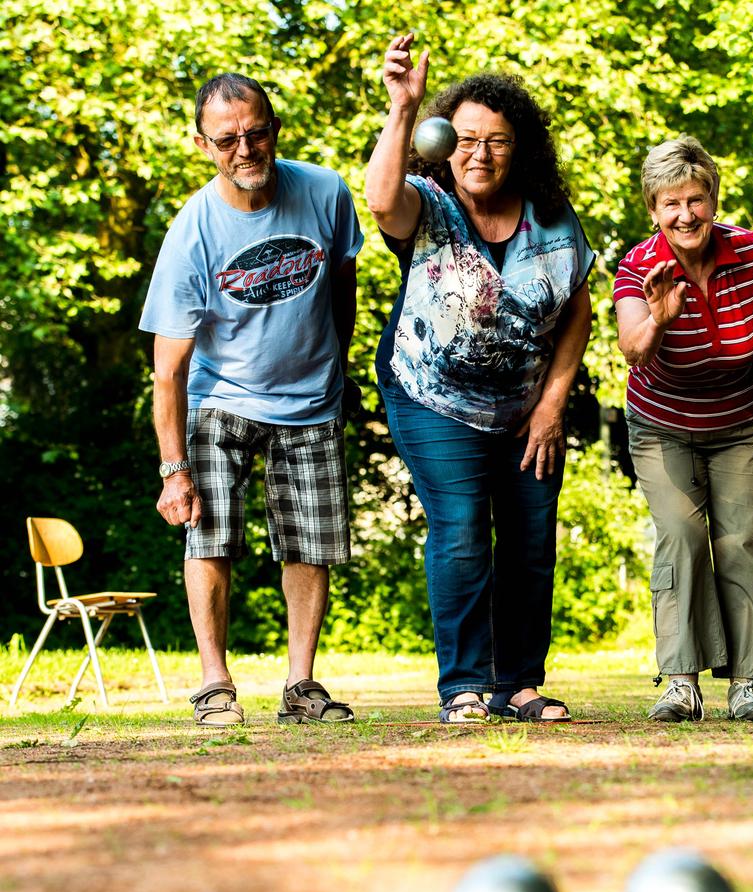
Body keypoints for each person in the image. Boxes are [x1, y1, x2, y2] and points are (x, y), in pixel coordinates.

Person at [365, 34, 594, 723]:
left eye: (495, 140)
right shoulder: (428, 206)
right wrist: (403, 106)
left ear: (518, 147)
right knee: (462, 530)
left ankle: (519, 684)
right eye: (465, 139)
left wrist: (553, 402)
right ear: (444, 145)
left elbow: (578, 305)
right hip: (432, 394)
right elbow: (379, 202)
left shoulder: (553, 218)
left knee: (530, 537)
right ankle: (464, 685)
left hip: (526, 405)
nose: (479, 153)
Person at [140, 73, 363, 726]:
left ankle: (302, 687)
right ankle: (214, 683)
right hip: (221, 399)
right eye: (228, 138)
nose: (245, 147)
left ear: (275, 128)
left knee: (311, 544)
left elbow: (341, 287)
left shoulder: (325, 193)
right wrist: (173, 469)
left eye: (256, 131)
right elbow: (168, 372)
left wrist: (334, 364)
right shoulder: (192, 233)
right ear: (204, 144)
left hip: (313, 400)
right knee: (209, 535)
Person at [614, 136, 753, 722]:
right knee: (681, 538)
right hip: (663, 425)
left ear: (713, 198)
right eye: (671, 204)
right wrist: (659, 318)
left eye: (696, 199)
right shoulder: (639, 266)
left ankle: (751, 682)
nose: (686, 215)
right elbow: (633, 350)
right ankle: (680, 682)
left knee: (741, 542)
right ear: (653, 210)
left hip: (747, 421)